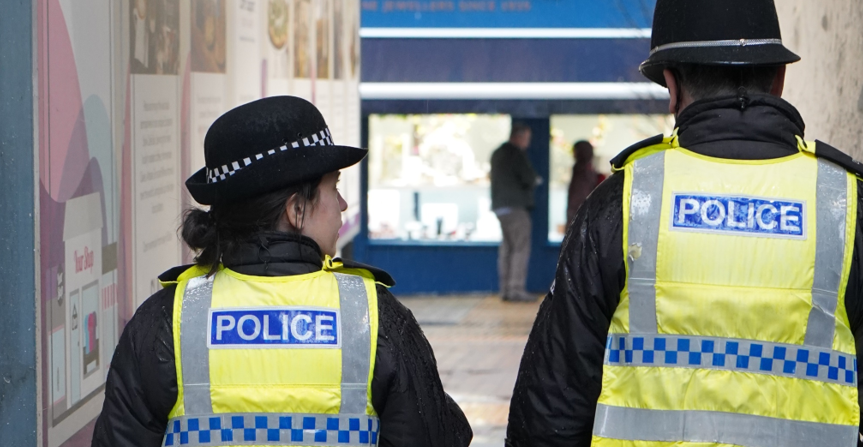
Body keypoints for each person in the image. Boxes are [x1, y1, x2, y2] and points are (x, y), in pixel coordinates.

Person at [507, 0, 863, 447]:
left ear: (672, 86)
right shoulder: (857, 212)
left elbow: (548, 412)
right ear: (779, 80)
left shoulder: (623, 205)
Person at [92, 96, 472, 447]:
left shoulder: (165, 321)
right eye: (333, 187)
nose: (341, 204)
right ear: (296, 210)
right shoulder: (375, 319)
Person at [490, 122, 539, 302]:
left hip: (500, 207)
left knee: (507, 248)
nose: (528, 142)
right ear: (519, 137)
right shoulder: (516, 153)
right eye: (527, 138)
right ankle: (516, 289)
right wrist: (536, 180)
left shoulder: (497, 153)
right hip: (516, 207)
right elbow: (529, 177)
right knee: (520, 247)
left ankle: (505, 289)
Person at [566, 140, 603, 229]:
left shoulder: (582, 170)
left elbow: (579, 193)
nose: (573, 154)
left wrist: (573, 214)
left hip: (580, 213)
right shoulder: (588, 168)